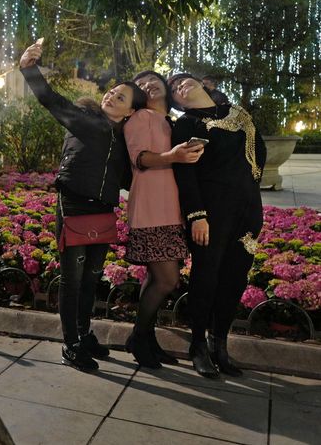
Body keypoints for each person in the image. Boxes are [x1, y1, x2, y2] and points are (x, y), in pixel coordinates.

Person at [19, 39, 146, 372]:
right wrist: (29, 69)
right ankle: (70, 344)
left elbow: (129, 179)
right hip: (73, 203)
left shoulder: (125, 140)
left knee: (91, 278)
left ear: (131, 111)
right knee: (72, 279)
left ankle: (84, 333)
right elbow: (51, 100)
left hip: (103, 210)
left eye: (121, 97)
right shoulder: (84, 119)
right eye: (111, 92)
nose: (111, 96)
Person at [168, 73, 266, 379]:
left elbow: (259, 156)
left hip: (247, 211)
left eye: (184, 81)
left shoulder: (239, 115)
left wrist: (248, 194)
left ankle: (219, 344)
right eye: (174, 89)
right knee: (206, 277)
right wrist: (197, 214)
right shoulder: (187, 124)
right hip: (210, 215)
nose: (181, 86)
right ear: (177, 102)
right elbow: (185, 174)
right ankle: (197, 344)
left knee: (235, 277)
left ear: (202, 85)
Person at [124, 71, 204, 368]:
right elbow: (141, 159)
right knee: (167, 279)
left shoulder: (170, 122)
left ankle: (148, 340)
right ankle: (137, 337)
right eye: (141, 83)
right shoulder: (140, 117)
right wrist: (174, 156)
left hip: (172, 209)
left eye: (153, 80)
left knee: (157, 278)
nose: (147, 85)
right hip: (151, 207)